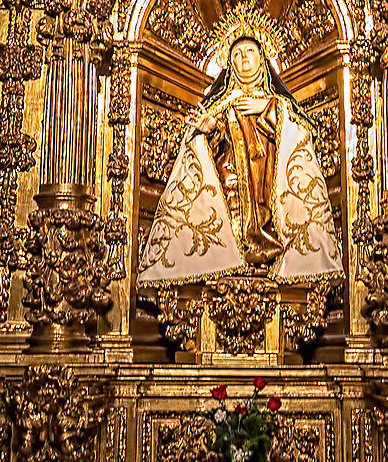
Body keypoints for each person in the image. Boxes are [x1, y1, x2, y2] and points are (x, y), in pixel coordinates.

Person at [137, 29, 342, 288]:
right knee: (233, 217)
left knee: (265, 210)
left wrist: (269, 110)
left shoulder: (281, 104)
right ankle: (235, 254)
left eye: (250, 52)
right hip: (231, 179)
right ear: (230, 63)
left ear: (262, 59)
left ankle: (268, 254)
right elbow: (208, 145)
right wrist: (210, 128)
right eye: (237, 54)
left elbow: (302, 135)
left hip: (267, 179)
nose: (244, 58)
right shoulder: (222, 102)